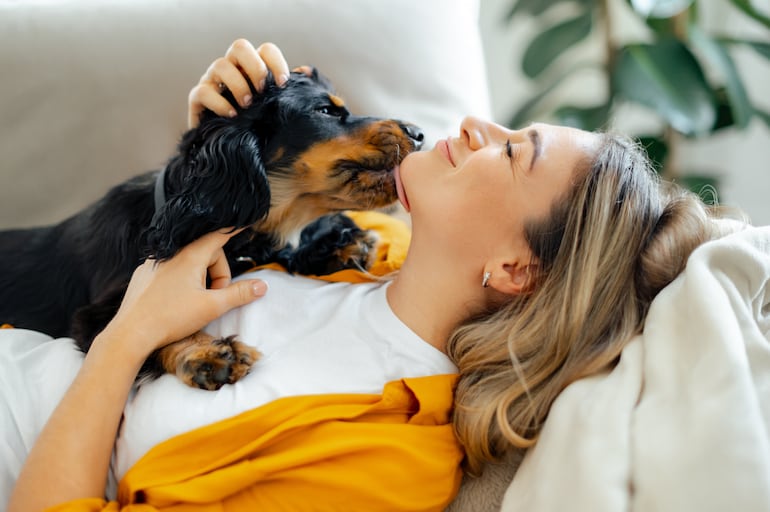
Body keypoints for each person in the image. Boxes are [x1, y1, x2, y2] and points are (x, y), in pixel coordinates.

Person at [6, 39, 724, 511]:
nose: (476, 125)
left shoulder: (385, 452)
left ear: (514, 269)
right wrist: (228, 139)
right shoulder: (363, 253)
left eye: (512, 153)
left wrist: (128, 336)